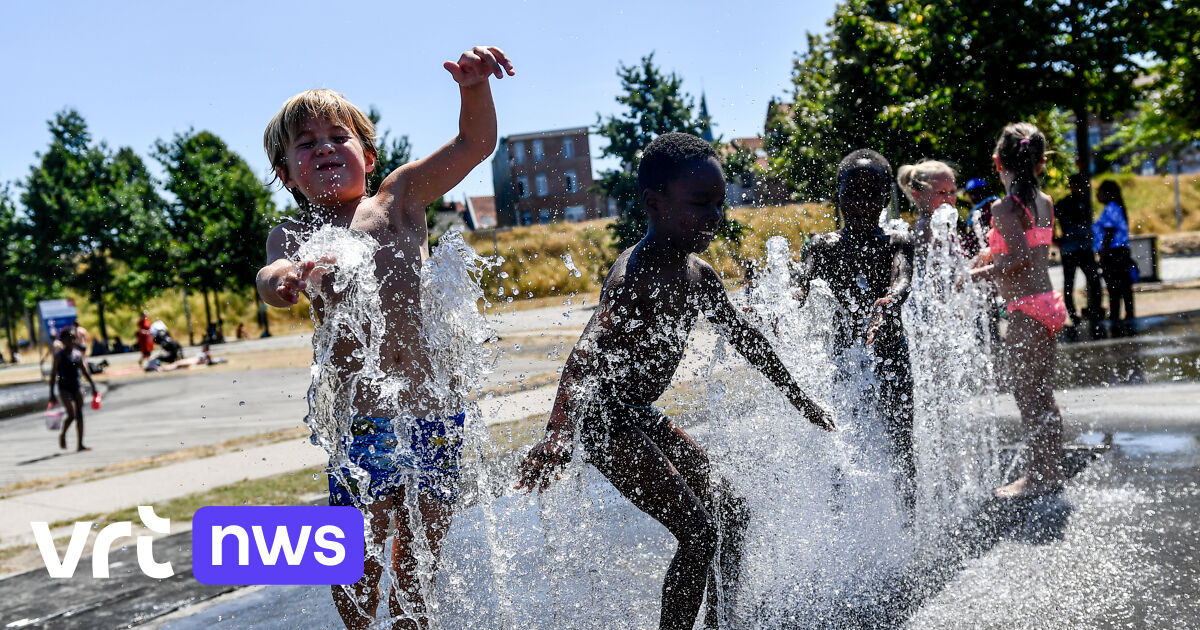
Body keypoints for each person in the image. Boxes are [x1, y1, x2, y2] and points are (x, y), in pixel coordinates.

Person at [517, 133, 834, 630]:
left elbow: (746, 338)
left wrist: (800, 398)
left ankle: (720, 621)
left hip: (638, 415)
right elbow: (584, 356)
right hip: (604, 420)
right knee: (699, 533)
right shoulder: (635, 277)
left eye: (719, 204)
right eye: (699, 204)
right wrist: (557, 434)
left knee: (733, 515)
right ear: (654, 203)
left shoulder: (697, 273)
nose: (714, 217)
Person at [256, 47, 514, 630]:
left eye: (337, 135)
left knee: (420, 560)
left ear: (367, 155)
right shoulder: (293, 231)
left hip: (433, 415)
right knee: (355, 565)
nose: (323, 146)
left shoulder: (398, 199)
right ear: (287, 173)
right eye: (305, 143)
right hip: (363, 423)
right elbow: (268, 278)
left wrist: (474, 90)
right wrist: (286, 279)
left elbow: (474, 147)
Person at [794, 149, 917, 517]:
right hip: (843, 360)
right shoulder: (823, 246)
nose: (861, 202)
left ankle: (909, 526)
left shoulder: (896, 242)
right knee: (841, 442)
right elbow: (800, 283)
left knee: (900, 443)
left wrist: (890, 300)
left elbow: (903, 279)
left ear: (885, 198)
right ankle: (841, 525)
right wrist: (786, 298)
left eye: (872, 193)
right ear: (839, 194)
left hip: (892, 355)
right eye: (853, 192)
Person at [970, 122, 1066, 498]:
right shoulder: (1044, 202)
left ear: (997, 162)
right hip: (1047, 303)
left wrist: (975, 272)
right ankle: (1051, 471)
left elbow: (1019, 258)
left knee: (1028, 396)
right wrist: (994, 253)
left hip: (1025, 310)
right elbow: (1031, 250)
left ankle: (1037, 477)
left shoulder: (1005, 207)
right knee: (1043, 393)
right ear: (1040, 164)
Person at [1054, 174, 1105, 329]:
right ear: (1071, 186)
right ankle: (1073, 315)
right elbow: (1049, 220)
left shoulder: (1085, 202)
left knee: (1093, 281)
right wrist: (1056, 240)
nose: (1079, 189)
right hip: (1071, 249)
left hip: (1083, 248)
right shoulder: (1064, 203)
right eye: (1076, 185)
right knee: (1070, 284)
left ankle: (1094, 311)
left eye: (1081, 186)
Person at [1094, 180, 1135, 331]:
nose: (1097, 195)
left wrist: (1103, 256)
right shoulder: (1116, 207)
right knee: (1124, 286)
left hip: (1114, 253)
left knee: (1114, 287)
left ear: (1108, 193)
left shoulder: (1111, 208)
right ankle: (1126, 316)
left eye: (1100, 191)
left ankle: (1116, 318)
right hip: (1120, 252)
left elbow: (1109, 234)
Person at [49, 328, 96, 451]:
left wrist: (93, 386)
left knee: (79, 415)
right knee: (72, 414)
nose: (72, 340)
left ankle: (80, 444)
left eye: (73, 338)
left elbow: (84, 372)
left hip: (76, 386)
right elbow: (53, 375)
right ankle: (63, 434)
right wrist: (51, 394)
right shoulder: (59, 356)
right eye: (69, 338)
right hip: (64, 388)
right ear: (63, 341)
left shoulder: (77, 355)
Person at [897, 159, 959, 251]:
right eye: (941, 192)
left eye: (952, 191)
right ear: (917, 195)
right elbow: (934, 264)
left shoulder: (940, 224)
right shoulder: (927, 227)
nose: (949, 197)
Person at [963, 178, 1000, 256]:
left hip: (990, 250)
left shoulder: (985, 207)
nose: (971, 197)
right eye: (970, 194)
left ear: (984, 190)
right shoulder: (998, 201)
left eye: (973, 193)